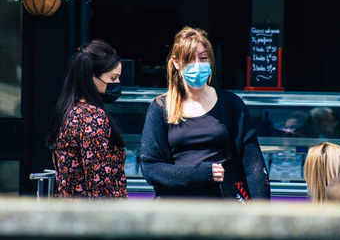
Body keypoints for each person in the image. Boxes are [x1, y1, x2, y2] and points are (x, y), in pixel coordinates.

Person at [140, 26, 270, 200]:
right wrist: (201, 174)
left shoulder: (231, 104)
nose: (197, 66)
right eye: (189, 60)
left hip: (223, 209)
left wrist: (261, 213)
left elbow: (254, 165)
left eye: (203, 58)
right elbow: (151, 169)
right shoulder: (160, 108)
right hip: (175, 211)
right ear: (177, 63)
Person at [47, 39, 127, 198]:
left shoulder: (70, 110)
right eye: (113, 78)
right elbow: (99, 183)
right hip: (94, 218)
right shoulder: (92, 117)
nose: (117, 83)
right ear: (91, 77)